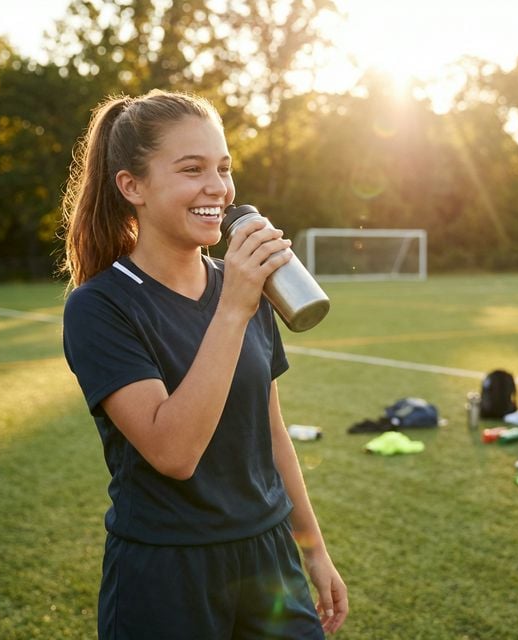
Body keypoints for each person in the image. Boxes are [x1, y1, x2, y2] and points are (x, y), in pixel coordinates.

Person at [60, 89, 348, 640]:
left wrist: (314, 551)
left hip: (269, 559)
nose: (217, 186)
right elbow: (173, 453)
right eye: (192, 169)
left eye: (223, 167)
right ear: (132, 186)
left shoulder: (244, 285)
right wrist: (235, 307)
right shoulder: (100, 306)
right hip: (167, 572)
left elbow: (271, 433)